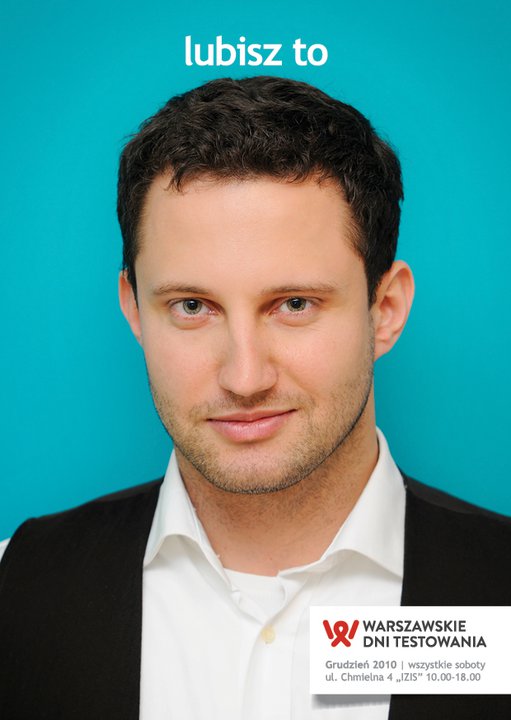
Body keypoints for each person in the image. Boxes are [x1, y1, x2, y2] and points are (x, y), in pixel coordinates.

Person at [0, 76, 510, 720]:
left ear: (384, 310)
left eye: (294, 304)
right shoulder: (16, 584)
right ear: (133, 309)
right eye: (192, 306)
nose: (244, 379)